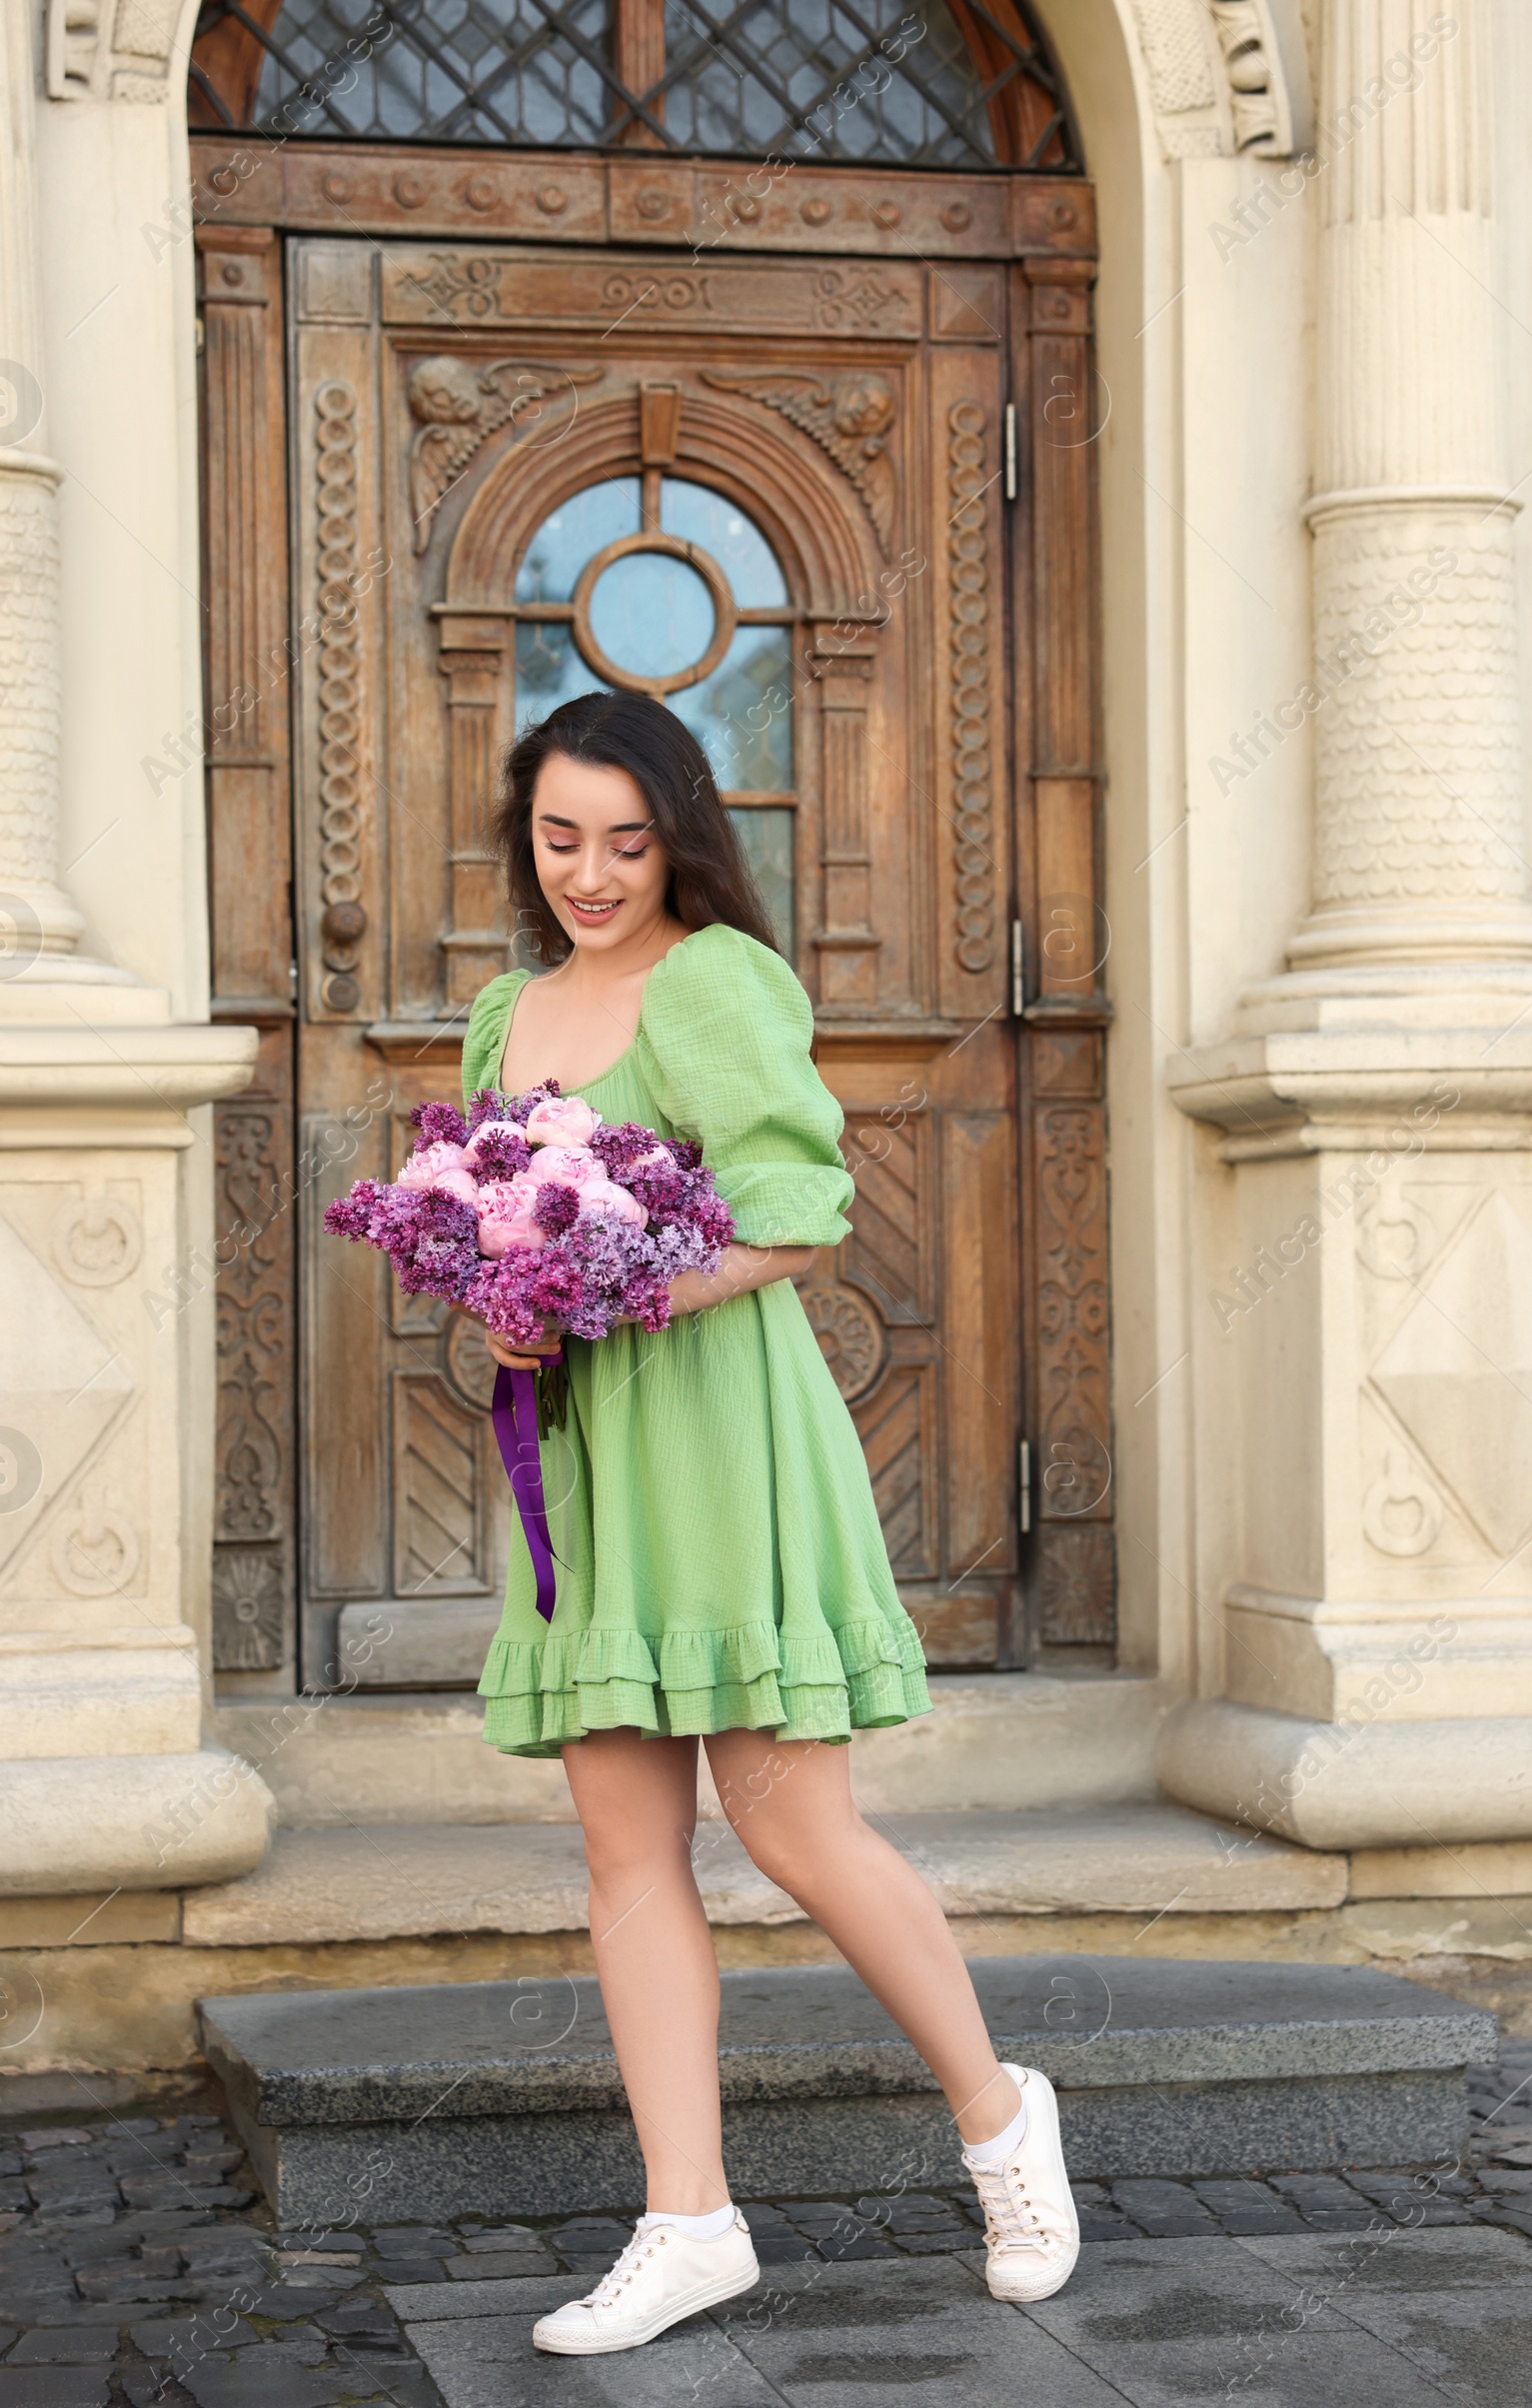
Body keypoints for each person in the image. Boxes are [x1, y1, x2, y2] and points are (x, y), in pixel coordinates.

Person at [459, 690, 1078, 2357]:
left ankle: (1002, 2121)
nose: (590, 870)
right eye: (560, 835)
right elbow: (489, 1233)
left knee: (795, 1826)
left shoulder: (716, 980)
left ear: (681, 838)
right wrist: (514, 1311)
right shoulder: (503, 1013)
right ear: (527, 835)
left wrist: (625, 1285)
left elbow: (800, 1215)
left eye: (626, 839)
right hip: (587, 1459)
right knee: (623, 1847)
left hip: (722, 1432)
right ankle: (689, 2218)